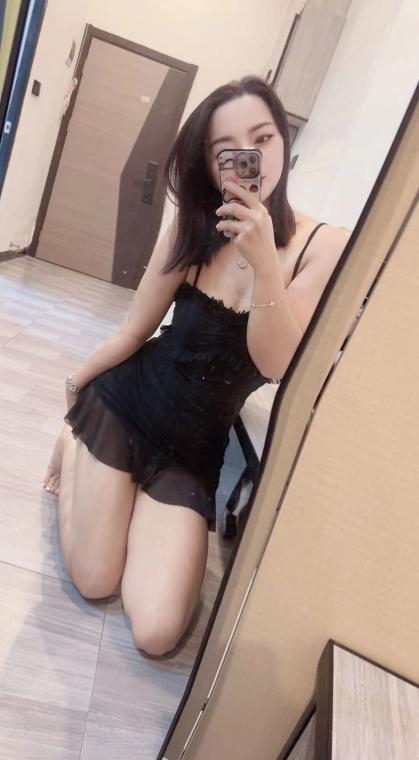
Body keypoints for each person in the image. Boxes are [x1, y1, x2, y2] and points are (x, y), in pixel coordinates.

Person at [43, 75, 349, 657]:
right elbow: (135, 331)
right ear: (210, 165)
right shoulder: (191, 223)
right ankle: (75, 442)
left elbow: (276, 363)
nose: (247, 156)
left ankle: (129, 498)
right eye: (225, 149)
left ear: (283, 143)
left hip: (194, 451)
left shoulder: (323, 246)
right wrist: (76, 392)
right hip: (126, 407)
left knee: (156, 632)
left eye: (262, 137)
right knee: (95, 579)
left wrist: (265, 264)